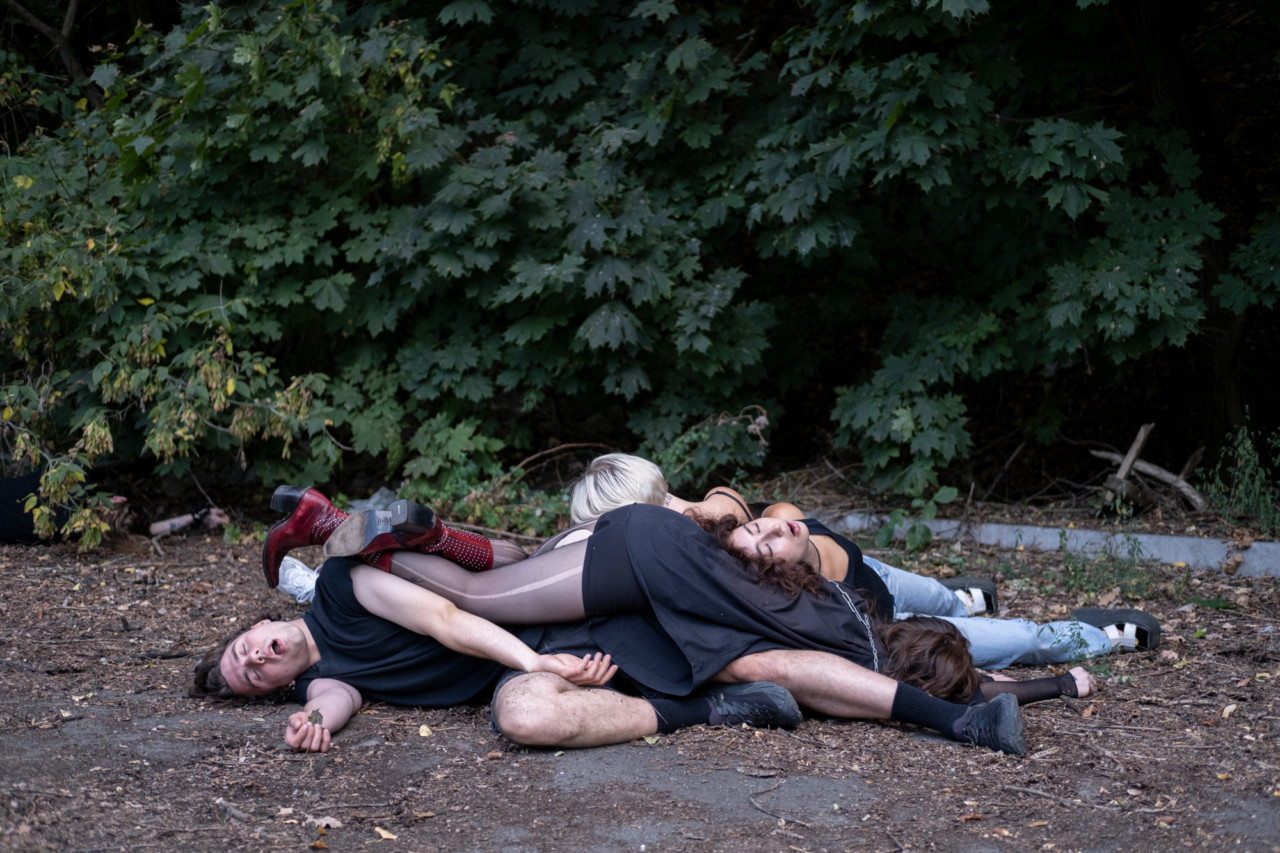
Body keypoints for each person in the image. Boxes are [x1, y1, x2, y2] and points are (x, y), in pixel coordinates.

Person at [316, 493, 1032, 754]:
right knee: (477, 596)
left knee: (496, 579)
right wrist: (960, 710)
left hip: (638, 550)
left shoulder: (826, 606)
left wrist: (1050, 686)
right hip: (638, 559)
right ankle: (357, 534)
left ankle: (408, 537)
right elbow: (802, 672)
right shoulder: (846, 636)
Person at [569, 453, 1162, 667]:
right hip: (872, 623)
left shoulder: (704, 516)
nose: (674, 505)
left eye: (665, 492)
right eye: (657, 502)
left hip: (863, 570)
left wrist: (692, 509)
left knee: (939, 594)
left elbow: (728, 500)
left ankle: (962, 598)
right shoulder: (690, 558)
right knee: (1020, 638)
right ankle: (1094, 637)